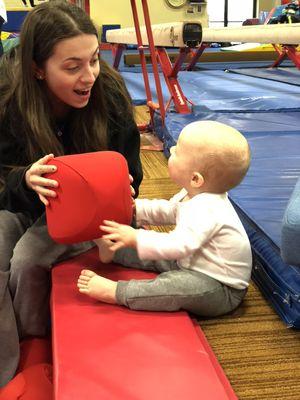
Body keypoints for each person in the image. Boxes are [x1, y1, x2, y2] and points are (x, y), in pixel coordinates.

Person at [0, 0, 142, 387]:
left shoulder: (107, 94)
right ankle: (9, 368)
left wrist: (123, 189)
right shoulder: (9, 98)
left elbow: (130, 172)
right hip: (22, 202)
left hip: (85, 213)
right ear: (37, 70)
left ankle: (37, 344)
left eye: (94, 59)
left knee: (28, 259)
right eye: (72, 66)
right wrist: (24, 181)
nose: (89, 75)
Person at [78, 120, 252, 317]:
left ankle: (117, 292)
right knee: (156, 256)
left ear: (196, 179)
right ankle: (114, 251)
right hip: (190, 262)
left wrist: (136, 237)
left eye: (178, 151)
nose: (172, 148)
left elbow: (178, 244)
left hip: (219, 288)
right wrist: (137, 208)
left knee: (177, 286)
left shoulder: (208, 209)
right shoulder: (195, 194)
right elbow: (169, 210)